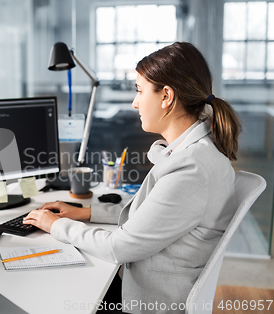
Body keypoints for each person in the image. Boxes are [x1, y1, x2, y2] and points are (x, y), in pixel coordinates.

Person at [23, 42, 241, 314]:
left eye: (139, 91)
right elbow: (152, 215)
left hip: (150, 302)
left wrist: (56, 225)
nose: (135, 102)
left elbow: (118, 247)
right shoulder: (196, 152)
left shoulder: (191, 169)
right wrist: (86, 212)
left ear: (166, 97)